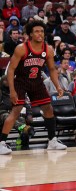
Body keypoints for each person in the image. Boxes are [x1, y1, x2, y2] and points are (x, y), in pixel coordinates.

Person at [0, 22, 67, 154]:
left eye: (41, 31)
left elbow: (52, 69)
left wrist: (58, 86)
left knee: (48, 108)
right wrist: (12, 90)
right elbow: (11, 70)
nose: (39, 34)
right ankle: (1, 142)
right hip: (21, 82)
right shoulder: (21, 48)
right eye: (36, 31)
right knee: (16, 111)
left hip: (37, 82)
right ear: (30, 33)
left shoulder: (48, 49)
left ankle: (52, 141)